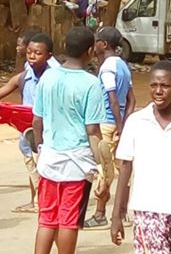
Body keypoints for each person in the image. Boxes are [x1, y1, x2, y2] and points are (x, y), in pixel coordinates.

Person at [111, 60, 171, 254]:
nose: (158, 91)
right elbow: (125, 168)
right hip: (147, 211)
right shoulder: (136, 122)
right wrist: (116, 216)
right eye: (154, 85)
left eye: (165, 85)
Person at [32, 27, 107, 254]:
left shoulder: (48, 76)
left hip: (50, 158)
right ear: (90, 50)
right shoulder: (91, 83)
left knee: (46, 219)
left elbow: (37, 120)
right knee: (69, 220)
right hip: (77, 162)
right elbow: (93, 129)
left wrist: (39, 149)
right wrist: (102, 165)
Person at [0, 33, 58, 213]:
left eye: (37, 53)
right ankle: (35, 201)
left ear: (48, 55)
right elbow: (10, 85)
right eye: (30, 52)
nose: (32, 56)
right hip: (25, 129)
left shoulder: (54, 78)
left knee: (45, 166)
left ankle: (47, 202)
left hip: (47, 131)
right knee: (30, 164)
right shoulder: (25, 75)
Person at [84, 27, 136, 229]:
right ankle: (122, 212)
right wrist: (124, 123)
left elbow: (113, 99)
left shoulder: (107, 68)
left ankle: (99, 214)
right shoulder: (123, 66)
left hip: (106, 123)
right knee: (121, 168)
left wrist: (119, 126)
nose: (94, 45)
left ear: (103, 45)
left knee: (104, 169)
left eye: (97, 41)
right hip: (119, 122)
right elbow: (131, 100)